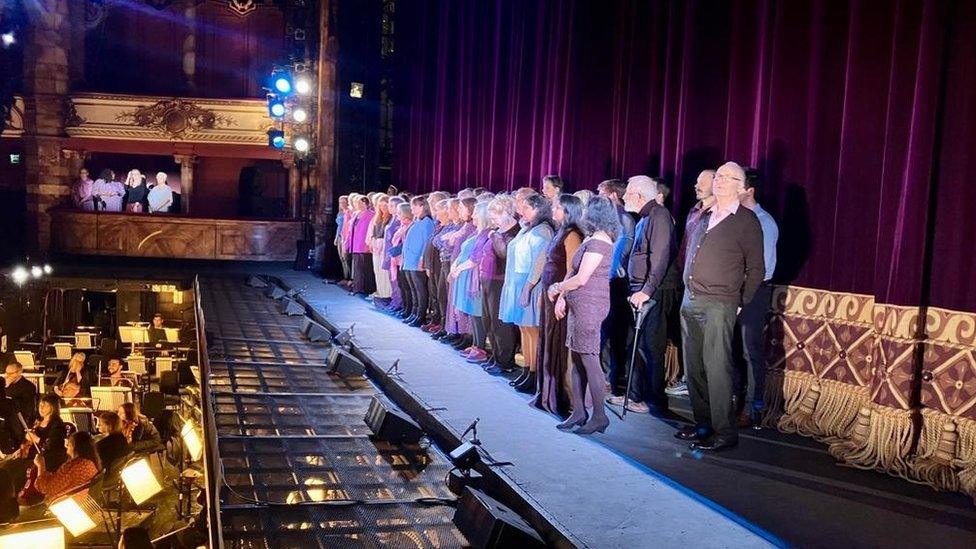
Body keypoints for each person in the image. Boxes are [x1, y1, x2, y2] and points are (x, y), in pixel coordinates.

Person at [677, 161, 764, 452]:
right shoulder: (706, 215)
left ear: (741, 187)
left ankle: (724, 431)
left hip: (720, 303)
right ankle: (703, 424)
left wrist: (740, 303)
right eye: (719, 176)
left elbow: (756, 269)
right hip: (691, 300)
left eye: (728, 177)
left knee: (717, 368)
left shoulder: (746, 221)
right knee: (694, 367)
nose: (720, 181)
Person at [605, 175, 676, 415]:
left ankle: (653, 400)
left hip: (652, 292)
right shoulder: (645, 217)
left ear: (638, 195)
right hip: (639, 290)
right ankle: (634, 395)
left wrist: (646, 290)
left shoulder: (660, 216)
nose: (623, 197)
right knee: (637, 345)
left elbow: (660, 257)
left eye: (628, 194)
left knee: (650, 347)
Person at [550, 196, 619, 434]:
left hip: (591, 306)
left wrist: (557, 288)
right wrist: (562, 297)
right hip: (578, 304)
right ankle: (579, 412)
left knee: (589, 358)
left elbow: (582, 278)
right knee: (577, 360)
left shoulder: (601, 241)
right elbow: (573, 270)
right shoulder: (590, 237)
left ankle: (599, 416)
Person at [735, 168, 779, 427]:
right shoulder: (737, 220)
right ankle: (735, 399)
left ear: (749, 190)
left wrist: (743, 294)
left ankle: (754, 406)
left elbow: (763, 266)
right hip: (734, 291)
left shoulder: (764, 222)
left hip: (754, 292)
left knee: (750, 350)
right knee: (733, 350)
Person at [667, 169, 716, 397]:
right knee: (689, 337)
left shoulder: (719, 214)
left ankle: (708, 387)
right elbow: (686, 245)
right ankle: (690, 379)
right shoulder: (694, 211)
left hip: (707, 287)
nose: (695, 185)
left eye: (701, 182)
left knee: (708, 340)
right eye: (696, 181)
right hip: (686, 282)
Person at [533, 194, 584, 411]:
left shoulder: (573, 235)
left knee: (559, 345)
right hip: (548, 294)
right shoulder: (560, 231)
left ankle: (564, 398)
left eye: (557, 208)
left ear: (568, 211)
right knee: (548, 341)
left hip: (559, 297)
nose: (553, 211)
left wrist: (562, 297)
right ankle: (547, 393)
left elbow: (572, 270)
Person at [499, 194, 554, 392]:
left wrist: (528, 287)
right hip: (517, 279)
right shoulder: (528, 228)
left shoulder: (544, 230)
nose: (522, 211)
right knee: (523, 328)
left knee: (532, 330)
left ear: (539, 209)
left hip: (530, 282)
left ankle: (535, 373)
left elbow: (540, 262)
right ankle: (527, 369)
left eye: (527, 208)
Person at [597, 179, 636, 395]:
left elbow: (623, 248)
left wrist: (611, 271)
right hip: (605, 280)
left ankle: (611, 378)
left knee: (614, 333)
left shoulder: (624, 218)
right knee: (603, 331)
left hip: (616, 283)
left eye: (602, 192)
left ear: (612, 195)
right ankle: (601, 376)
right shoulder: (608, 217)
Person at [480, 196, 522, 374]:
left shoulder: (515, 231)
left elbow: (504, 254)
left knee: (501, 323)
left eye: (495, 215)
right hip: (489, 279)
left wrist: (495, 235)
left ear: (506, 212)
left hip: (501, 280)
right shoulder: (498, 230)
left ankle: (505, 361)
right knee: (488, 320)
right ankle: (496, 357)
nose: (492, 219)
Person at [449, 201, 491, 362]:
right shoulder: (477, 232)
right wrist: (456, 265)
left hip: (474, 278)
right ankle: (475, 344)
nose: (473, 215)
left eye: (475, 213)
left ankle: (480, 347)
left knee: (476, 312)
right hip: (466, 275)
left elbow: (476, 258)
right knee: (472, 313)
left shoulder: (486, 233)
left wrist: (459, 268)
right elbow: (463, 252)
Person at [441, 198, 477, 348]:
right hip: (456, 265)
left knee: (464, 304)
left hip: (465, 269)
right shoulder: (464, 226)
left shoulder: (471, 228)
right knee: (455, 302)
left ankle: (467, 336)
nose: (460, 211)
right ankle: (459, 333)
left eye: (462, 208)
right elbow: (445, 243)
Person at [34, 431, 100, 504]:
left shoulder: (73, 467)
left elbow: (47, 488)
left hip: (66, 504)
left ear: (74, 447)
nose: (66, 446)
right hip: (85, 502)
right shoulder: (90, 463)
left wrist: (40, 465)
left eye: (69, 444)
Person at [401, 196, 436, 325]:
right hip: (409, 260)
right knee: (413, 289)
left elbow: (427, 242)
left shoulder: (427, 222)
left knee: (420, 289)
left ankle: (420, 315)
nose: (412, 209)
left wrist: (422, 258)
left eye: (414, 206)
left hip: (417, 260)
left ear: (422, 206)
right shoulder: (416, 221)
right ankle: (414, 312)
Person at [349, 194, 377, 296]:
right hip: (355, 244)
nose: (359, 205)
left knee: (365, 268)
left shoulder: (371, 214)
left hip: (364, 245)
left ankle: (366, 289)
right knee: (357, 267)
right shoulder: (356, 214)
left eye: (362, 203)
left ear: (367, 204)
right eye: (358, 203)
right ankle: (357, 288)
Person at [368, 194, 393, 305]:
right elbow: (373, 232)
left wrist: (381, 244)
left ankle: (386, 294)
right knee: (377, 271)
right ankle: (380, 292)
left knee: (384, 272)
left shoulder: (391, 218)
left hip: (384, 247)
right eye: (381, 205)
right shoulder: (377, 218)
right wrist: (373, 242)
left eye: (385, 205)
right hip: (376, 247)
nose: (383, 208)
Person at [335, 195, 351, 282]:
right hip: (339, 235)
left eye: (344, 202)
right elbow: (339, 227)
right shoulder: (340, 213)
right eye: (340, 202)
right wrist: (336, 237)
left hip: (345, 236)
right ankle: (345, 276)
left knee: (346, 257)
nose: (342, 204)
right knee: (341, 257)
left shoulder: (348, 212)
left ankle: (348, 278)